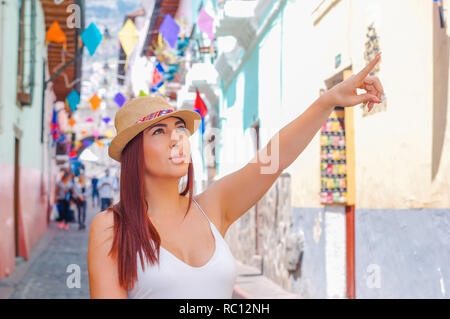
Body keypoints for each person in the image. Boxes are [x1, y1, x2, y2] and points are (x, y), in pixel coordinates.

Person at [87, 54, 384, 299]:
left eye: (179, 129)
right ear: (134, 152)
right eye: (159, 131)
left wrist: (327, 101)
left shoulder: (212, 207)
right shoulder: (111, 228)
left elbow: (271, 160)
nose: (176, 138)